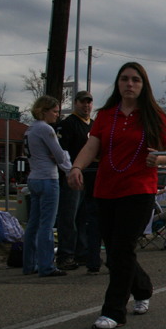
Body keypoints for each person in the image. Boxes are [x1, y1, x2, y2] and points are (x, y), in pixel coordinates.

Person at [68, 62, 166, 329]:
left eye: (136, 80)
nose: (130, 84)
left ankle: (114, 311)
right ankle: (142, 288)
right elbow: (91, 146)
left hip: (139, 190)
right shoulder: (105, 115)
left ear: (143, 85)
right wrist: (76, 167)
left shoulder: (154, 115)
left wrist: (160, 158)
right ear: (118, 83)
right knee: (116, 253)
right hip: (105, 190)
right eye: (125, 79)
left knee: (122, 248)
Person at [22, 95, 73, 277]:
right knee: (47, 225)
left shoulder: (30, 129)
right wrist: (67, 163)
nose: (57, 115)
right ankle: (46, 266)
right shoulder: (46, 129)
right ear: (44, 111)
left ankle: (28, 263)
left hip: (34, 177)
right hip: (47, 179)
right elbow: (59, 156)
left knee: (33, 223)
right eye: (54, 111)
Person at [54, 90, 96, 271]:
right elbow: (61, 153)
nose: (86, 106)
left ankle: (83, 253)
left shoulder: (94, 125)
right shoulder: (67, 124)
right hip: (73, 178)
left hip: (91, 177)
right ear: (75, 103)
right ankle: (65, 255)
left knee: (84, 218)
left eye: (89, 103)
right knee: (68, 217)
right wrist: (72, 171)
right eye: (82, 102)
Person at [145, 185, 166, 250]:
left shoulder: (150, 188)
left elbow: (164, 195)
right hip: (147, 218)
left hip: (156, 216)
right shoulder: (141, 191)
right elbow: (147, 196)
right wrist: (156, 193)